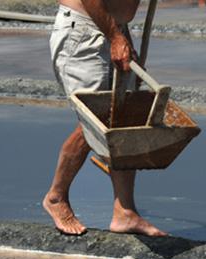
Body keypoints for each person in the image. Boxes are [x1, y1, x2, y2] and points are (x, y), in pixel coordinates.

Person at [43, 0, 166, 238]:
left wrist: (122, 37)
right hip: (85, 33)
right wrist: (116, 37)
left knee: (124, 117)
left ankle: (125, 212)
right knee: (95, 121)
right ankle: (56, 196)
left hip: (113, 28)